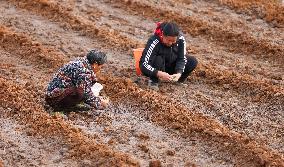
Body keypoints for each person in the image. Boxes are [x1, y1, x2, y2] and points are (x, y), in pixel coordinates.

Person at [139, 22, 198, 90]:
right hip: (157, 69)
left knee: (192, 61)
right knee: (158, 59)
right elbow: (143, 64)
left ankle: (177, 80)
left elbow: (181, 58)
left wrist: (179, 73)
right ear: (163, 35)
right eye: (168, 40)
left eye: (173, 41)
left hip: (170, 66)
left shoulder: (180, 39)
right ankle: (153, 81)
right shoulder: (154, 41)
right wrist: (159, 73)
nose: (170, 43)